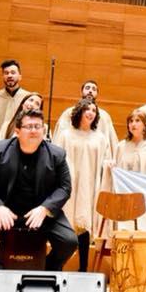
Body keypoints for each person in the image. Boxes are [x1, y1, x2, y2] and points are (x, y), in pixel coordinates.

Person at [0, 108, 78, 281]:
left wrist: (45, 209)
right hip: (6, 210)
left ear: (43, 130)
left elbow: (64, 188)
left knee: (69, 241)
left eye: (38, 126)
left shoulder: (57, 154)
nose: (34, 131)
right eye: (29, 126)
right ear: (17, 131)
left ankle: (45, 273)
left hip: (40, 213)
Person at [53, 99, 110, 272]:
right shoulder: (66, 135)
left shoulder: (100, 138)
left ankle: (83, 268)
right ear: (79, 112)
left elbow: (106, 159)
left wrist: (109, 164)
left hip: (88, 185)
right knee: (66, 223)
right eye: (87, 109)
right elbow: (56, 158)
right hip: (68, 184)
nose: (90, 112)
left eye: (94, 110)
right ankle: (58, 266)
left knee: (84, 223)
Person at [52, 80, 119, 153]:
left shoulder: (104, 116)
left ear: (97, 94)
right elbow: (59, 138)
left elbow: (112, 142)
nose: (90, 91)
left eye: (94, 89)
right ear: (81, 92)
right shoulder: (69, 113)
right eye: (87, 88)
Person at [0, 59, 30, 142]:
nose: (9, 75)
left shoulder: (28, 99)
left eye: (13, 72)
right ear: (3, 77)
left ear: (20, 76)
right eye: (6, 73)